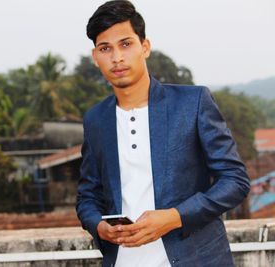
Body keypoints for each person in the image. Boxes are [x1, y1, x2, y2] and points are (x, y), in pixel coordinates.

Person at [75, 1, 250, 266]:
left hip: (196, 258)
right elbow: (88, 194)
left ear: (144, 47)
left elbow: (235, 180)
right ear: (95, 57)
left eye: (125, 44)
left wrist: (174, 217)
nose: (117, 57)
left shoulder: (193, 102)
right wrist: (99, 226)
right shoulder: (96, 119)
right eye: (105, 48)